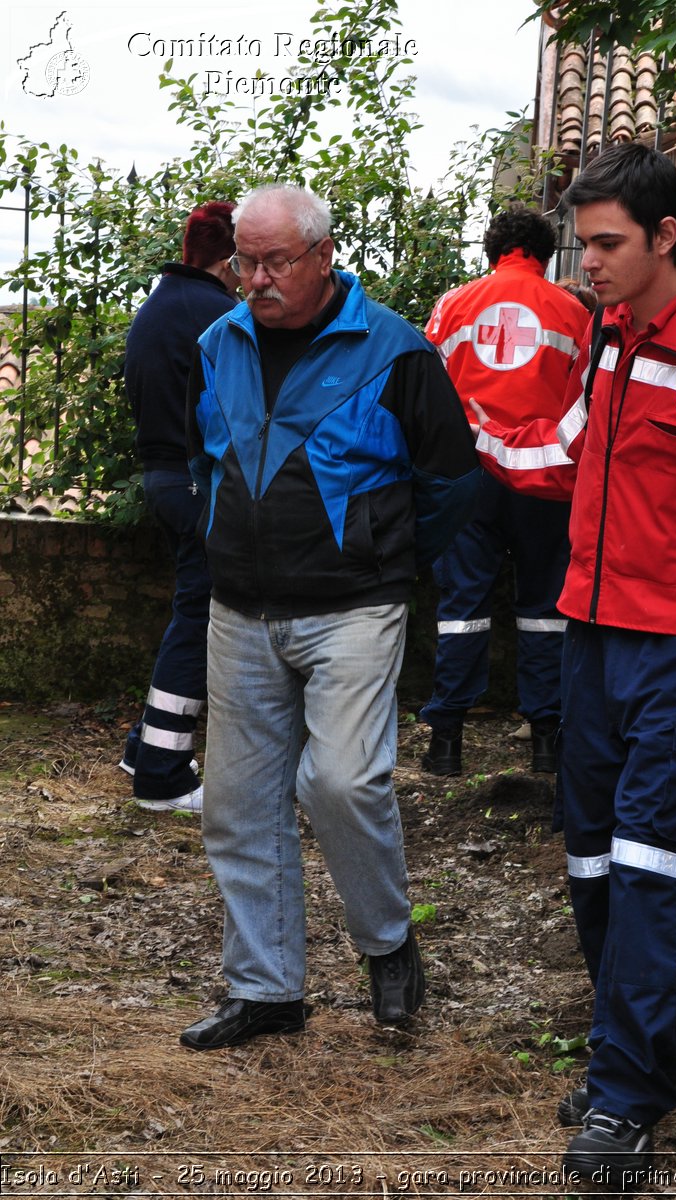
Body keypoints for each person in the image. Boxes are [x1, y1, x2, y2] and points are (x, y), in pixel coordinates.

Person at [472, 143, 676, 1185]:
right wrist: (453, 422)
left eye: (606, 244)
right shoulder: (612, 341)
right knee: (591, 862)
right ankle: (644, 1061)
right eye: (580, 242)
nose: (586, 265)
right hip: (590, 640)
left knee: (650, 864)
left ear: (663, 236)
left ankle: (619, 1099)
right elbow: (558, 454)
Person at [179, 183, 481, 1050]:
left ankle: (387, 944)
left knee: (341, 780)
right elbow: (205, 457)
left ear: (323, 256)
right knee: (236, 806)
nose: (257, 280)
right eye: (245, 261)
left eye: (277, 262)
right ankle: (266, 989)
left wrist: (384, 552)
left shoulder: (395, 350)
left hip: (353, 608)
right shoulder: (217, 342)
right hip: (240, 608)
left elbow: (453, 482)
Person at [419, 205, 590, 777]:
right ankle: (546, 740)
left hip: (469, 477)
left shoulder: (452, 305)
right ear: (547, 253)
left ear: (491, 251)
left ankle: (445, 743)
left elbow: (428, 392)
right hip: (545, 478)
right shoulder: (572, 312)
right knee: (545, 607)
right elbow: (584, 405)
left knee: (461, 607)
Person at [120, 202, 239, 813]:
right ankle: (161, 775)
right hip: (197, 485)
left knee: (187, 612)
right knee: (198, 621)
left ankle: (144, 746)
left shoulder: (159, 304)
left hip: (160, 478)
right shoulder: (216, 313)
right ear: (231, 260)